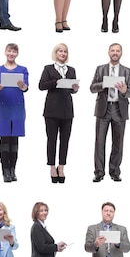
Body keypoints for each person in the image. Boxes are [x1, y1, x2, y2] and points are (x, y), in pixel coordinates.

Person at [89, 43, 130, 182]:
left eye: (118, 51)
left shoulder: (127, 71)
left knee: (118, 143)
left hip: (119, 109)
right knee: (99, 142)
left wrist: (124, 91)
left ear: (121, 53)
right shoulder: (100, 69)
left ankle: (114, 171)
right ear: (109, 52)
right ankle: (99, 172)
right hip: (103, 108)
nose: (115, 53)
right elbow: (92, 88)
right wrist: (104, 84)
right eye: (113, 50)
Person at [39, 43, 79, 183]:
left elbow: (72, 90)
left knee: (65, 140)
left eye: (65, 52)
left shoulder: (71, 70)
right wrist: (55, 82)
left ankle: (61, 166)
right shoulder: (48, 68)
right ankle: (51, 166)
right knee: (51, 140)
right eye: (60, 51)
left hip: (67, 109)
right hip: (51, 109)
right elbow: (41, 86)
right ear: (55, 53)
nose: (63, 53)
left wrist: (75, 88)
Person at [0, 43, 28, 182]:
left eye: (14, 51)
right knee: (4, 138)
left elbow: (26, 88)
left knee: (15, 139)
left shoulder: (23, 69)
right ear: (5, 52)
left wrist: (23, 86)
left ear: (17, 54)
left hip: (17, 107)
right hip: (3, 107)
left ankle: (13, 169)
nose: (11, 54)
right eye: (9, 51)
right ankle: (5, 170)